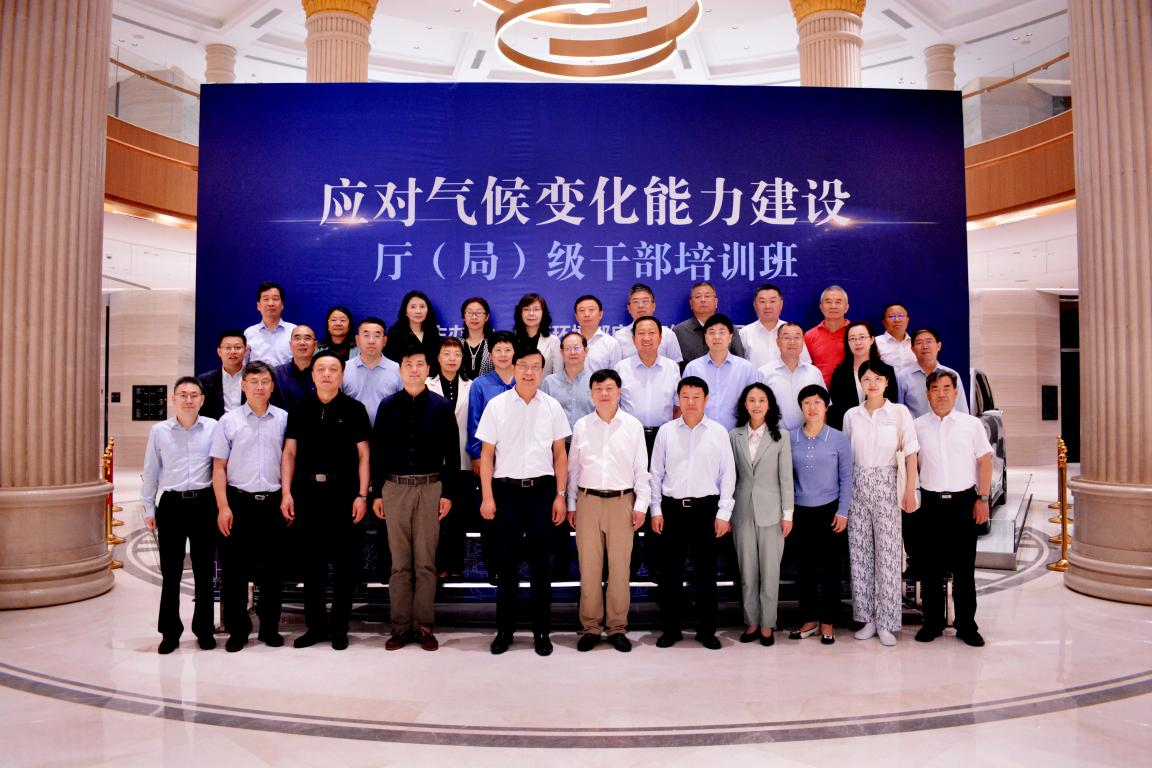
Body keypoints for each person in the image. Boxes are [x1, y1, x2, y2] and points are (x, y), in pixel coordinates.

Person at [476, 346, 571, 656]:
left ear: (542, 372)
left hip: (542, 493)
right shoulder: (497, 405)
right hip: (506, 494)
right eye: (524, 366)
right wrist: (487, 496)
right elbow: (487, 455)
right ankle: (505, 631)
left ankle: (541, 631)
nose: (529, 372)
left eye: (535, 367)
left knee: (541, 566)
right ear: (514, 368)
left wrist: (560, 495)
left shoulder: (552, 407)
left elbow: (560, 454)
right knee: (507, 566)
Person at [279, 352, 371, 651]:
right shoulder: (300, 409)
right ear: (313, 375)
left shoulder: (354, 409)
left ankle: (340, 628)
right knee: (312, 566)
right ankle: (315, 627)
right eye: (321, 369)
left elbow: (364, 455)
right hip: (307, 495)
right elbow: (289, 453)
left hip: (344, 495)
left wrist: (362, 495)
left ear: (342, 375)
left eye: (333, 369)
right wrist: (286, 492)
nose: (327, 374)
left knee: (345, 567)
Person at [371, 346, 459, 652]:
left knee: (425, 563)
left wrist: (447, 493)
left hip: (430, 487)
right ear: (400, 370)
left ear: (428, 369)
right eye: (408, 364)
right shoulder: (387, 406)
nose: (413, 369)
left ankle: (423, 625)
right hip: (394, 488)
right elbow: (378, 451)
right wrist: (377, 492)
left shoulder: (441, 406)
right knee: (399, 564)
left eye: (420, 364)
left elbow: (452, 452)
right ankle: (400, 626)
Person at [649, 376, 736, 650]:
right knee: (670, 574)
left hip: (706, 510)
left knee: (705, 574)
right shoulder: (666, 432)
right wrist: (655, 509)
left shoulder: (718, 432)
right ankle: (671, 629)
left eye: (696, 397)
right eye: (685, 396)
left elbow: (728, 474)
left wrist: (724, 513)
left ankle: (706, 631)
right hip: (672, 510)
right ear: (678, 399)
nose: (690, 402)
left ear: (706, 400)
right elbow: (655, 473)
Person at [567, 369, 650, 653]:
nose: (604, 393)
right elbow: (573, 469)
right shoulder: (581, 426)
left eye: (610, 388)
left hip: (622, 502)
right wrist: (571, 504)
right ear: (591, 393)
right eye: (598, 388)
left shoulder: (632, 426)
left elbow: (641, 469)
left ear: (619, 392)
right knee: (589, 568)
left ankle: (616, 627)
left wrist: (641, 505)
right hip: (588, 501)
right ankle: (590, 627)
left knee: (619, 569)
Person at [210, 361, 289, 653]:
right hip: (238, 502)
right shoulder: (228, 421)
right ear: (243, 386)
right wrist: (223, 507)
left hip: (272, 504)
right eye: (253, 381)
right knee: (234, 572)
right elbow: (219, 467)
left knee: (272, 571)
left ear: (272, 386)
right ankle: (238, 630)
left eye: (265, 381)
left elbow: (289, 461)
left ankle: (269, 628)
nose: (259, 387)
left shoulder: (283, 419)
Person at [913, 370, 994, 648]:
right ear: (927, 394)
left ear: (956, 392)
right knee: (930, 569)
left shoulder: (971, 425)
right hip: (930, 504)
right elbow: (911, 464)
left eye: (947, 388)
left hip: (964, 503)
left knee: (964, 569)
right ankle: (932, 623)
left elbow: (985, 461)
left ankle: (967, 625)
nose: (941, 394)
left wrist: (983, 499)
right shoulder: (917, 426)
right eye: (935, 389)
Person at [842, 360, 919, 647]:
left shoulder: (899, 412)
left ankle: (887, 622)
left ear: (887, 382)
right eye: (866, 379)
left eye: (878, 378)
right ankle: (867, 619)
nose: (872, 383)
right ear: (860, 383)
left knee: (887, 557)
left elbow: (911, 453)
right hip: (857, 486)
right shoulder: (851, 416)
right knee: (860, 555)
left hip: (888, 485)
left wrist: (910, 490)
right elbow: (846, 457)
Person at [141, 376, 218, 654]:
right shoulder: (159, 431)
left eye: (194, 395)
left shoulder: (213, 427)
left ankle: (204, 629)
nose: (188, 400)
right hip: (172, 505)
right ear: (173, 399)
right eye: (183, 395)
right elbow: (151, 470)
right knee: (171, 572)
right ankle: (170, 632)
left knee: (204, 571)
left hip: (204, 504)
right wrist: (149, 507)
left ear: (202, 400)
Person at [787, 384, 853, 645]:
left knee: (830, 570)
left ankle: (828, 621)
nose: (812, 408)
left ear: (826, 407)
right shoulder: (790, 438)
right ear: (801, 408)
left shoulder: (838, 438)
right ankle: (808, 619)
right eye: (806, 403)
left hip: (831, 511)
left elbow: (846, 478)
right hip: (800, 512)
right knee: (804, 569)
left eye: (817, 402)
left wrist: (843, 511)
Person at [729, 383, 794, 647]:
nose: (756, 405)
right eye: (752, 400)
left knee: (770, 572)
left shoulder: (781, 436)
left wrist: (788, 514)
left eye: (762, 400)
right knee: (747, 572)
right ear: (744, 404)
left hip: (772, 513)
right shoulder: (734, 436)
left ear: (769, 405)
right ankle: (752, 622)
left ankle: (767, 624)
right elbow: (730, 477)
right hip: (742, 511)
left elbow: (786, 478)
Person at [427, 337, 473, 577]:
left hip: (462, 459)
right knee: (434, 516)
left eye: (457, 354)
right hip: (433, 460)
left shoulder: (471, 385)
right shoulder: (426, 384)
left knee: (458, 514)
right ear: (438, 357)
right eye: (446, 353)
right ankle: (437, 565)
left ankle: (455, 565)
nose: (452, 358)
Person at [614, 316, 682, 457]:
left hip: (663, 436)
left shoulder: (672, 368)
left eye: (651, 333)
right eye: (641, 333)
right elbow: (615, 405)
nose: (646, 338)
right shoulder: (621, 368)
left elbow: (678, 406)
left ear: (660, 338)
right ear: (633, 339)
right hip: (630, 435)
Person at [682, 314, 759, 430]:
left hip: (736, 434)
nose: (717, 337)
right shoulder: (692, 368)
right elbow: (685, 404)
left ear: (730, 337)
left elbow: (755, 403)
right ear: (705, 337)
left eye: (722, 332)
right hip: (700, 433)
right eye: (712, 332)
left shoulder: (746, 368)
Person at [827, 321, 897, 430]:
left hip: (881, 430)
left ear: (872, 340)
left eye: (862, 337)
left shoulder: (886, 371)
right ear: (847, 343)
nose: (858, 342)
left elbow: (892, 403)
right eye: (852, 338)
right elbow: (835, 409)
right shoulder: (840, 373)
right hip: (849, 431)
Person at [465, 330, 517, 470]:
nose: (503, 354)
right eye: (498, 350)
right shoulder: (479, 384)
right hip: (489, 455)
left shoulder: (524, 381)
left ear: (515, 353)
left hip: (519, 453)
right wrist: (477, 455)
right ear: (490, 355)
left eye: (508, 350)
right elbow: (474, 422)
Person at [761, 322, 825, 432]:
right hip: (775, 436)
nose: (792, 342)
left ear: (803, 341)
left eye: (797, 338)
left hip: (808, 436)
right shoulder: (764, 373)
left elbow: (823, 407)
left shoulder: (814, 373)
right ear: (778, 342)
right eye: (786, 338)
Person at [341, 316, 402, 428]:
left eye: (377, 336)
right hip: (352, 434)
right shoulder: (343, 369)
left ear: (384, 341)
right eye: (366, 335)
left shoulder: (398, 370)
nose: (371, 341)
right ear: (357, 340)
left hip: (387, 434)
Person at [737, 283, 812, 370]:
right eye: (762, 302)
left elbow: (805, 364)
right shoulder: (745, 332)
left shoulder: (792, 331)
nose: (767, 306)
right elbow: (738, 367)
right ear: (755, 305)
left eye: (772, 301)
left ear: (781, 304)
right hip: (755, 379)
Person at [898, 328, 969, 418]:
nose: (925, 346)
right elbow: (899, 411)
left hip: (948, 426)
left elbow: (962, 410)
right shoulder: (903, 377)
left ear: (938, 346)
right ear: (912, 349)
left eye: (929, 341)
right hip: (915, 426)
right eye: (919, 343)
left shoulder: (952, 375)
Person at [672, 281, 747, 366]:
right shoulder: (679, 331)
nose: (703, 300)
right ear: (691, 303)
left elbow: (739, 362)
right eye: (698, 297)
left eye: (707, 296)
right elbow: (674, 366)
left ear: (716, 302)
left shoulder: (729, 329)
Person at [612, 283, 683, 363]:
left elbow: (675, 365)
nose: (641, 305)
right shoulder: (619, 336)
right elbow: (616, 367)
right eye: (636, 302)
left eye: (645, 301)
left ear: (654, 306)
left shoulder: (668, 334)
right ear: (629, 308)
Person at [540, 332, 594, 428]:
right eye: (568, 348)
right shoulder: (549, 382)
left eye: (577, 348)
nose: (573, 352)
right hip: (557, 437)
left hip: (588, 435)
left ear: (586, 351)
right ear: (561, 353)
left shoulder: (596, 382)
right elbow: (542, 415)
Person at [384, 290, 443, 374]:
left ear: (428, 310)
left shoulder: (432, 332)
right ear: (405, 311)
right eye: (413, 307)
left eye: (422, 306)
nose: (418, 311)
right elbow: (391, 363)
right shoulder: (395, 334)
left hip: (431, 379)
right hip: (404, 379)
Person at [805, 285, 851, 387]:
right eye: (828, 302)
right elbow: (804, 368)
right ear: (821, 307)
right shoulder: (809, 336)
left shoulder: (857, 334)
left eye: (838, 302)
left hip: (852, 391)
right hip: (819, 392)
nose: (833, 306)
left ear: (846, 307)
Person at [197, 329, 247, 420]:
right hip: (217, 427)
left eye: (237, 347)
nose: (233, 351)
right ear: (219, 352)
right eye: (228, 348)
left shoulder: (254, 379)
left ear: (246, 351)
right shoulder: (205, 380)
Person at [244, 280, 296, 366]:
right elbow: (242, 365)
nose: (271, 303)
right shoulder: (249, 333)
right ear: (258, 305)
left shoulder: (294, 331)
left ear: (282, 305)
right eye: (266, 299)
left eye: (275, 299)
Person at [270, 323, 318, 411]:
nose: (302, 343)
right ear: (290, 344)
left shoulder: (323, 374)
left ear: (315, 345)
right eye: (297, 338)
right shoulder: (276, 374)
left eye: (307, 338)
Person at [513, 293, 561, 376]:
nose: (531, 313)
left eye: (536, 309)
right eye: (526, 309)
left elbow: (558, 374)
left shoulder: (553, 341)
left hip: (544, 384)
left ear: (543, 313)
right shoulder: (513, 340)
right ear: (520, 313)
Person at [574, 294, 622, 373]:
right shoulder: (568, 342)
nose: (587, 314)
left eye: (591, 310)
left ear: (600, 314)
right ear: (576, 317)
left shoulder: (610, 343)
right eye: (582, 310)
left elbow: (615, 375)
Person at [459, 296, 494, 381]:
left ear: (486, 317)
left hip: (488, 388)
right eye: (469, 312)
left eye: (479, 313)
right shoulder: (457, 344)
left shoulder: (494, 344)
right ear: (464, 317)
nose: (474, 317)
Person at [875, 303, 915, 371]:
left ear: (907, 320)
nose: (897, 320)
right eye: (891, 316)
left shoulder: (915, 342)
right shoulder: (875, 343)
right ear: (884, 322)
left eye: (901, 316)